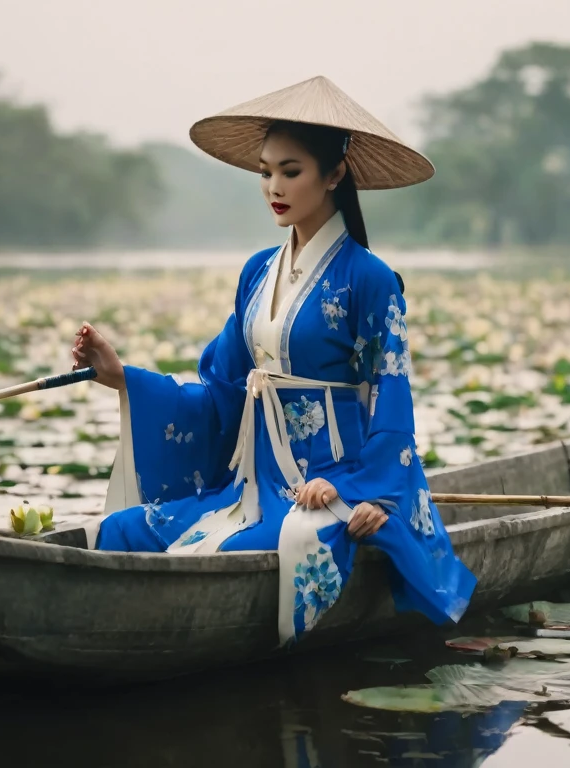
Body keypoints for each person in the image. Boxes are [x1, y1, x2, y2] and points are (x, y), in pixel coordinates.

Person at [71, 76, 475, 645]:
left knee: (242, 551)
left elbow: (392, 403)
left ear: (335, 174)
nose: (273, 187)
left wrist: (364, 494)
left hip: (330, 488)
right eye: (266, 171)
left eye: (291, 170)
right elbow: (222, 393)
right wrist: (124, 379)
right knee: (124, 529)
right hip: (251, 487)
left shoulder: (371, 279)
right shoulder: (258, 273)